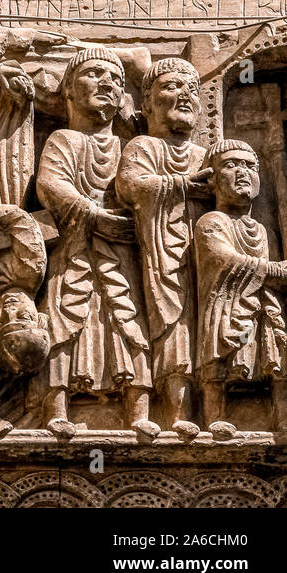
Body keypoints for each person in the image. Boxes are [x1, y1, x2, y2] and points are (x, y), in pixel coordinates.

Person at [36, 49, 154, 439]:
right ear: (68, 90)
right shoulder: (63, 139)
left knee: (128, 320)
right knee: (66, 316)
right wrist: (95, 215)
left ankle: (138, 410)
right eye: (93, 73)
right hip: (74, 249)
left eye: (116, 80)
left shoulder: (130, 148)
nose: (107, 82)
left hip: (122, 253)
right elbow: (51, 185)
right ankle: (57, 406)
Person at [117, 57, 211, 441]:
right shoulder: (143, 146)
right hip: (157, 253)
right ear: (148, 106)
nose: (184, 94)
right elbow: (129, 186)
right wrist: (185, 185)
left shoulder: (207, 155)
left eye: (192, 89)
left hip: (205, 257)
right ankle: (176, 411)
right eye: (171, 86)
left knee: (204, 326)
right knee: (171, 323)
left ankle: (211, 404)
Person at [194, 139, 287, 439]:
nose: (243, 172)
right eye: (231, 165)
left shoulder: (263, 229)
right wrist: (274, 270)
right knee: (217, 357)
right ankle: (215, 415)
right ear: (211, 179)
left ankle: (284, 416)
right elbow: (224, 260)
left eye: (250, 166)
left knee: (277, 352)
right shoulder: (211, 221)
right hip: (227, 302)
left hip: (263, 301)